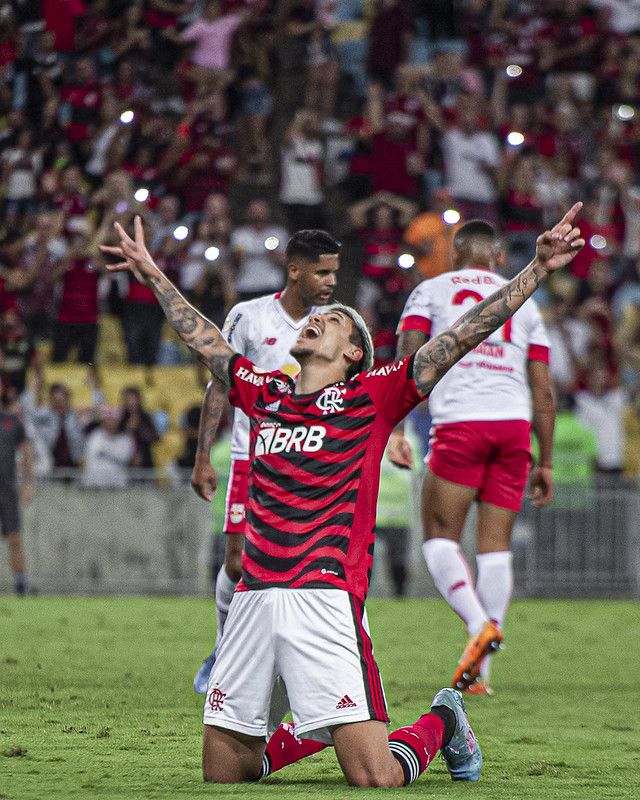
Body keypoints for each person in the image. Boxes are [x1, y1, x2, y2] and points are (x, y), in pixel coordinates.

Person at [101, 205, 583, 786]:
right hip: (253, 599)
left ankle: (443, 719)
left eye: (333, 321)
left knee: (373, 778)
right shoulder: (266, 390)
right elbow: (203, 339)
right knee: (226, 775)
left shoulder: (373, 397)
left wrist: (534, 269)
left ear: (354, 353)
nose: (317, 318)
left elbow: (462, 334)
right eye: (317, 316)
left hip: (325, 600)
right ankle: (309, 730)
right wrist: (152, 273)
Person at [390, 219, 557, 695]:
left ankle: (478, 625)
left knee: (440, 538)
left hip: (461, 423)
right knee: (495, 547)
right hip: (513, 427)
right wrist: (544, 461)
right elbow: (543, 390)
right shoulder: (525, 298)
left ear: (454, 252)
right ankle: (481, 673)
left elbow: (409, 359)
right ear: (500, 256)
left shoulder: (431, 290)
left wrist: (398, 428)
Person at [190, 228, 341, 695]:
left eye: (335, 271)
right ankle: (222, 649)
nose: (331, 280)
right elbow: (221, 383)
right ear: (294, 270)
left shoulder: (334, 325)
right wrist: (201, 456)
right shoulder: (250, 316)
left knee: (299, 569)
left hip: (305, 463)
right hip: (249, 458)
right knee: (237, 564)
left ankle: (288, 669)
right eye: (322, 271)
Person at [0, 398, 33, 595]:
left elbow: (27, 449)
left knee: (14, 537)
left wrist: (28, 482)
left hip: (7, 490)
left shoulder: (12, 422)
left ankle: (21, 585)